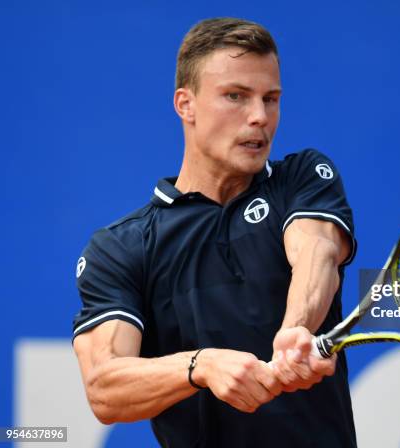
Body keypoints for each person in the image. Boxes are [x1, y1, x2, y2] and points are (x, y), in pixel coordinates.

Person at [72, 17, 357, 447]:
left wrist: (296, 328)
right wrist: (200, 366)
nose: (259, 117)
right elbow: (104, 387)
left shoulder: (300, 178)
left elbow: (316, 251)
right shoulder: (123, 247)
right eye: (236, 97)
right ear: (185, 105)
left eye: (271, 98)